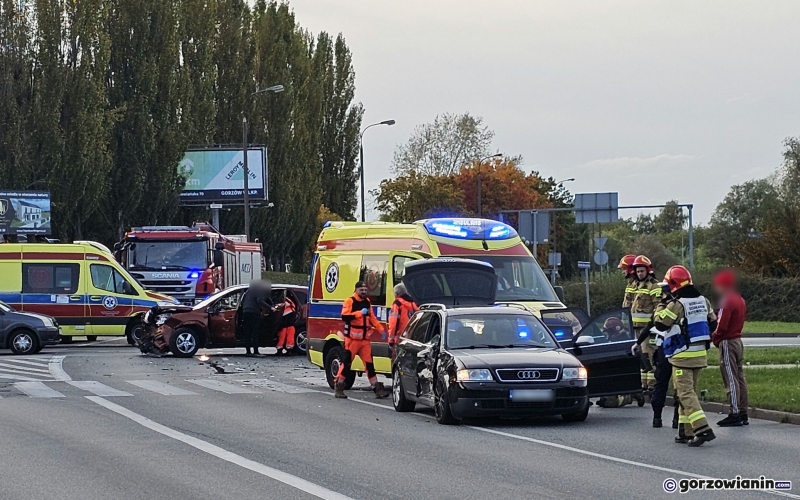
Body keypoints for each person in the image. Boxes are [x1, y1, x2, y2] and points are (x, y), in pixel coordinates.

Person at [654, 265, 718, 447]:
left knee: (685, 394)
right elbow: (713, 324)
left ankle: (703, 429)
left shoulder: (677, 304)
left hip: (682, 355)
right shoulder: (704, 300)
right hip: (700, 355)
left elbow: (660, 324)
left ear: (673, 286)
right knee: (686, 394)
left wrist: (661, 304)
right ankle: (685, 432)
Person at [335, 281, 389, 399]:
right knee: (347, 363)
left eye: (365, 290)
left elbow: (372, 318)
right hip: (352, 339)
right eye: (362, 290)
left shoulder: (367, 301)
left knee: (369, 364)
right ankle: (339, 386)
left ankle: (376, 388)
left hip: (364, 339)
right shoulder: (350, 301)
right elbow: (345, 316)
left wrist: (381, 330)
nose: (364, 292)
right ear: (356, 290)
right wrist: (360, 313)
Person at [634, 282, 675, 427]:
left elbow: (649, 326)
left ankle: (657, 418)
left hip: (664, 350)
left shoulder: (660, 308)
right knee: (678, 387)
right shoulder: (679, 305)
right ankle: (677, 420)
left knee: (660, 384)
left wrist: (637, 342)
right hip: (679, 351)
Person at [711, 269, 749, 427]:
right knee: (740, 377)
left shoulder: (727, 301)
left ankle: (734, 412)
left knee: (730, 377)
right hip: (738, 340)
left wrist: (715, 337)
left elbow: (722, 324)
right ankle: (743, 411)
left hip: (727, 341)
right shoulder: (739, 299)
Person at [596, 317, 644, 408]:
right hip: (615, 378)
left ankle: (632, 396)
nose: (607, 335)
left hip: (620, 379)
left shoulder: (622, 343)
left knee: (608, 403)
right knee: (604, 399)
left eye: (608, 332)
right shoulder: (618, 341)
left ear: (615, 331)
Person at [630, 255, 660, 393]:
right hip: (635, 327)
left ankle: (653, 385)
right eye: (637, 271)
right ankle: (643, 384)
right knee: (640, 357)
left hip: (648, 329)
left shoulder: (653, 286)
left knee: (649, 356)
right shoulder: (635, 285)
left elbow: (658, 307)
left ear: (648, 271)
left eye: (642, 271)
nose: (639, 273)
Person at [239, 280, 276, 357]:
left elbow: (242, 302)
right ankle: (256, 351)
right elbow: (259, 301)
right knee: (255, 332)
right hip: (254, 312)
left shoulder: (248, 291)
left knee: (248, 333)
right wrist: (271, 308)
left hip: (245, 312)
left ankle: (248, 351)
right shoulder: (259, 290)